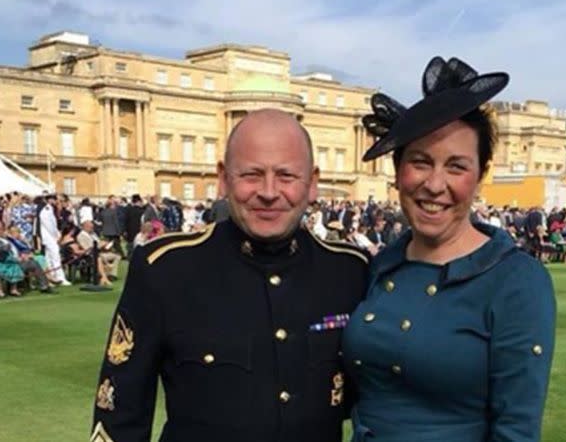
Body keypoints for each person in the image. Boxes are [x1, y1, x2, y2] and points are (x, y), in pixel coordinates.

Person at [90, 109, 368, 442]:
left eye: (286, 176)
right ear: (223, 178)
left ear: (312, 183)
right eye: (251, 174)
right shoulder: (166, 269)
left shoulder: (349, 271)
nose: (268, 191)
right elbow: (119, 411)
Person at [342, 56, 556, 442]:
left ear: (480, 175)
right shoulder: (382, 266)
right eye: (420, 162)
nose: (435, 184)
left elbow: (517, 430)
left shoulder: (516, 280)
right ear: (398, 170)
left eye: (456, 167)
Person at [38, 194, 71, 286]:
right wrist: (56, 235)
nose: (56, 202)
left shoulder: (51, 210)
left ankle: (52, 276)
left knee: (49, 257)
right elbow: (49, 225)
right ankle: (60, 277)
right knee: (55, 256)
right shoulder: (47, 210)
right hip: (49, 237)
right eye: (54, 200)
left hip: (50, 236)